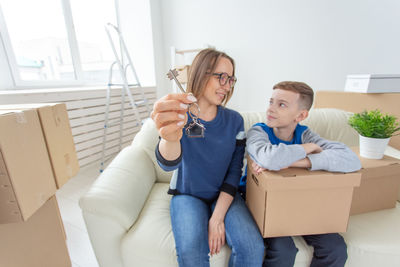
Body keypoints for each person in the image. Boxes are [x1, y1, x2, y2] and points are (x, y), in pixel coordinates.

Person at [151, 48, 264, 267]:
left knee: (252, 249)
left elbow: (234, 173)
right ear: (201, 73)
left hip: (224, 196)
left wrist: (217, 217)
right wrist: (171, 137)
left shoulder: (235, 121)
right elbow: (167, 164)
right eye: (221, 77)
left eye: (230, 79)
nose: (226, 85)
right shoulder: (179, 114)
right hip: (187, 195)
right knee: (191, 255)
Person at [244, 81, 362, 267]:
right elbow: (269, 159)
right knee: (284, 251)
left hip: (300, 202)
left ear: (301, 115)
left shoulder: (305, 134)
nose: (271, 109)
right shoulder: (258, 132)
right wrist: (307, 149)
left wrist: (299, 162)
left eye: (281, 104)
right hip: (264, 203)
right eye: (271, 102)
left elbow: (351, 159)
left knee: (336, 248)